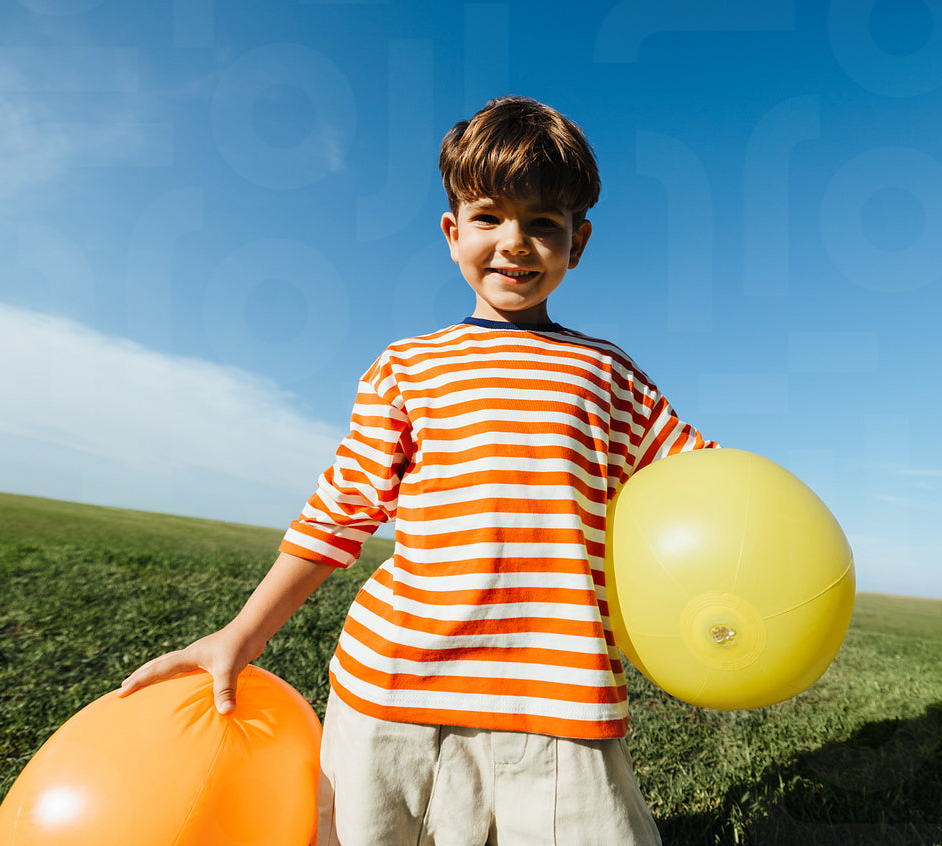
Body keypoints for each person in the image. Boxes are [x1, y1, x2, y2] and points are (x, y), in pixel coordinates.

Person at [119, 95, 716, 845]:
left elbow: (703, 485)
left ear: (579, 241)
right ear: (452, 232)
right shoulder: (408, 367)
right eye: (489, 217)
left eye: (543, 224)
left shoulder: (609, 374)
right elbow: (341, 511)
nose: (515, 244)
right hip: (398, 694)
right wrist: (243, 633)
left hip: (561, 701)